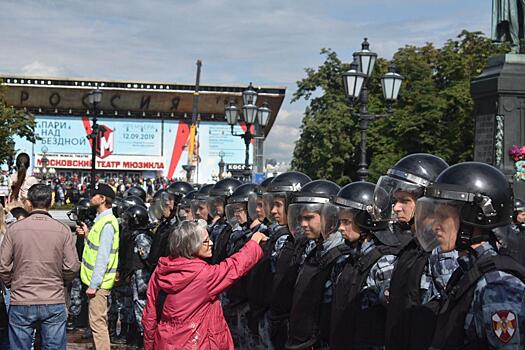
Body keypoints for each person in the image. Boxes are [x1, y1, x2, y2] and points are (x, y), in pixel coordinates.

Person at [416, 162, 525, 348]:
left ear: (474, 218)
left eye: (443, 216)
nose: (435, 226)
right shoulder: (468, 271)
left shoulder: (497, 285)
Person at [141, 219, 268, 350]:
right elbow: (234, 266)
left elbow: (150, 315)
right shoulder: (203, 275)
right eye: (206, 241)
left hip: (165, 342)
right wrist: (254, 242)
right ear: (192, 246)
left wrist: (150, 345)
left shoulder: (161, 270)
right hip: (197, 343)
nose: (211, 243)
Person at [377, 153, 451, 350]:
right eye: (395, 201)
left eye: (404, 201)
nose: (396, 208)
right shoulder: (412, 247)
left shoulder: (442, 252)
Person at [0, 183, 80, 349]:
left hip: (21, 298)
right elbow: (72, 266)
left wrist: (11, 283)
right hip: (53, 298)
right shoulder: (63, 230)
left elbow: (3, 265)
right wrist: (61, 280)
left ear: (28, 203)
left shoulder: (14, 230)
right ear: (50, 203)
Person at [330, 182, 403, 350]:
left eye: (347, 222)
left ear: (366, 222)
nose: (340, 228)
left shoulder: (385, 262)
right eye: (340, 221)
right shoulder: (348, 258)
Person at [285, 179, 344, 349]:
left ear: (329, 216)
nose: (303, 224)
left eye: (309, 218)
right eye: (301, 218)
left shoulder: (339, 255)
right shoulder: (317, 249)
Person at [76, 183, 119, 350]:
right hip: (96, 283)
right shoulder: (102, 221)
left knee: (98, 325)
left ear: (102, 199)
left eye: (94, 194)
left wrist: (94, 285)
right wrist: (87, 235)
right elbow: (96, 250)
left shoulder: (107, 223)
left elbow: (103, 258)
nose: (90, 197)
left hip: (99, 285)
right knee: (96, 323)